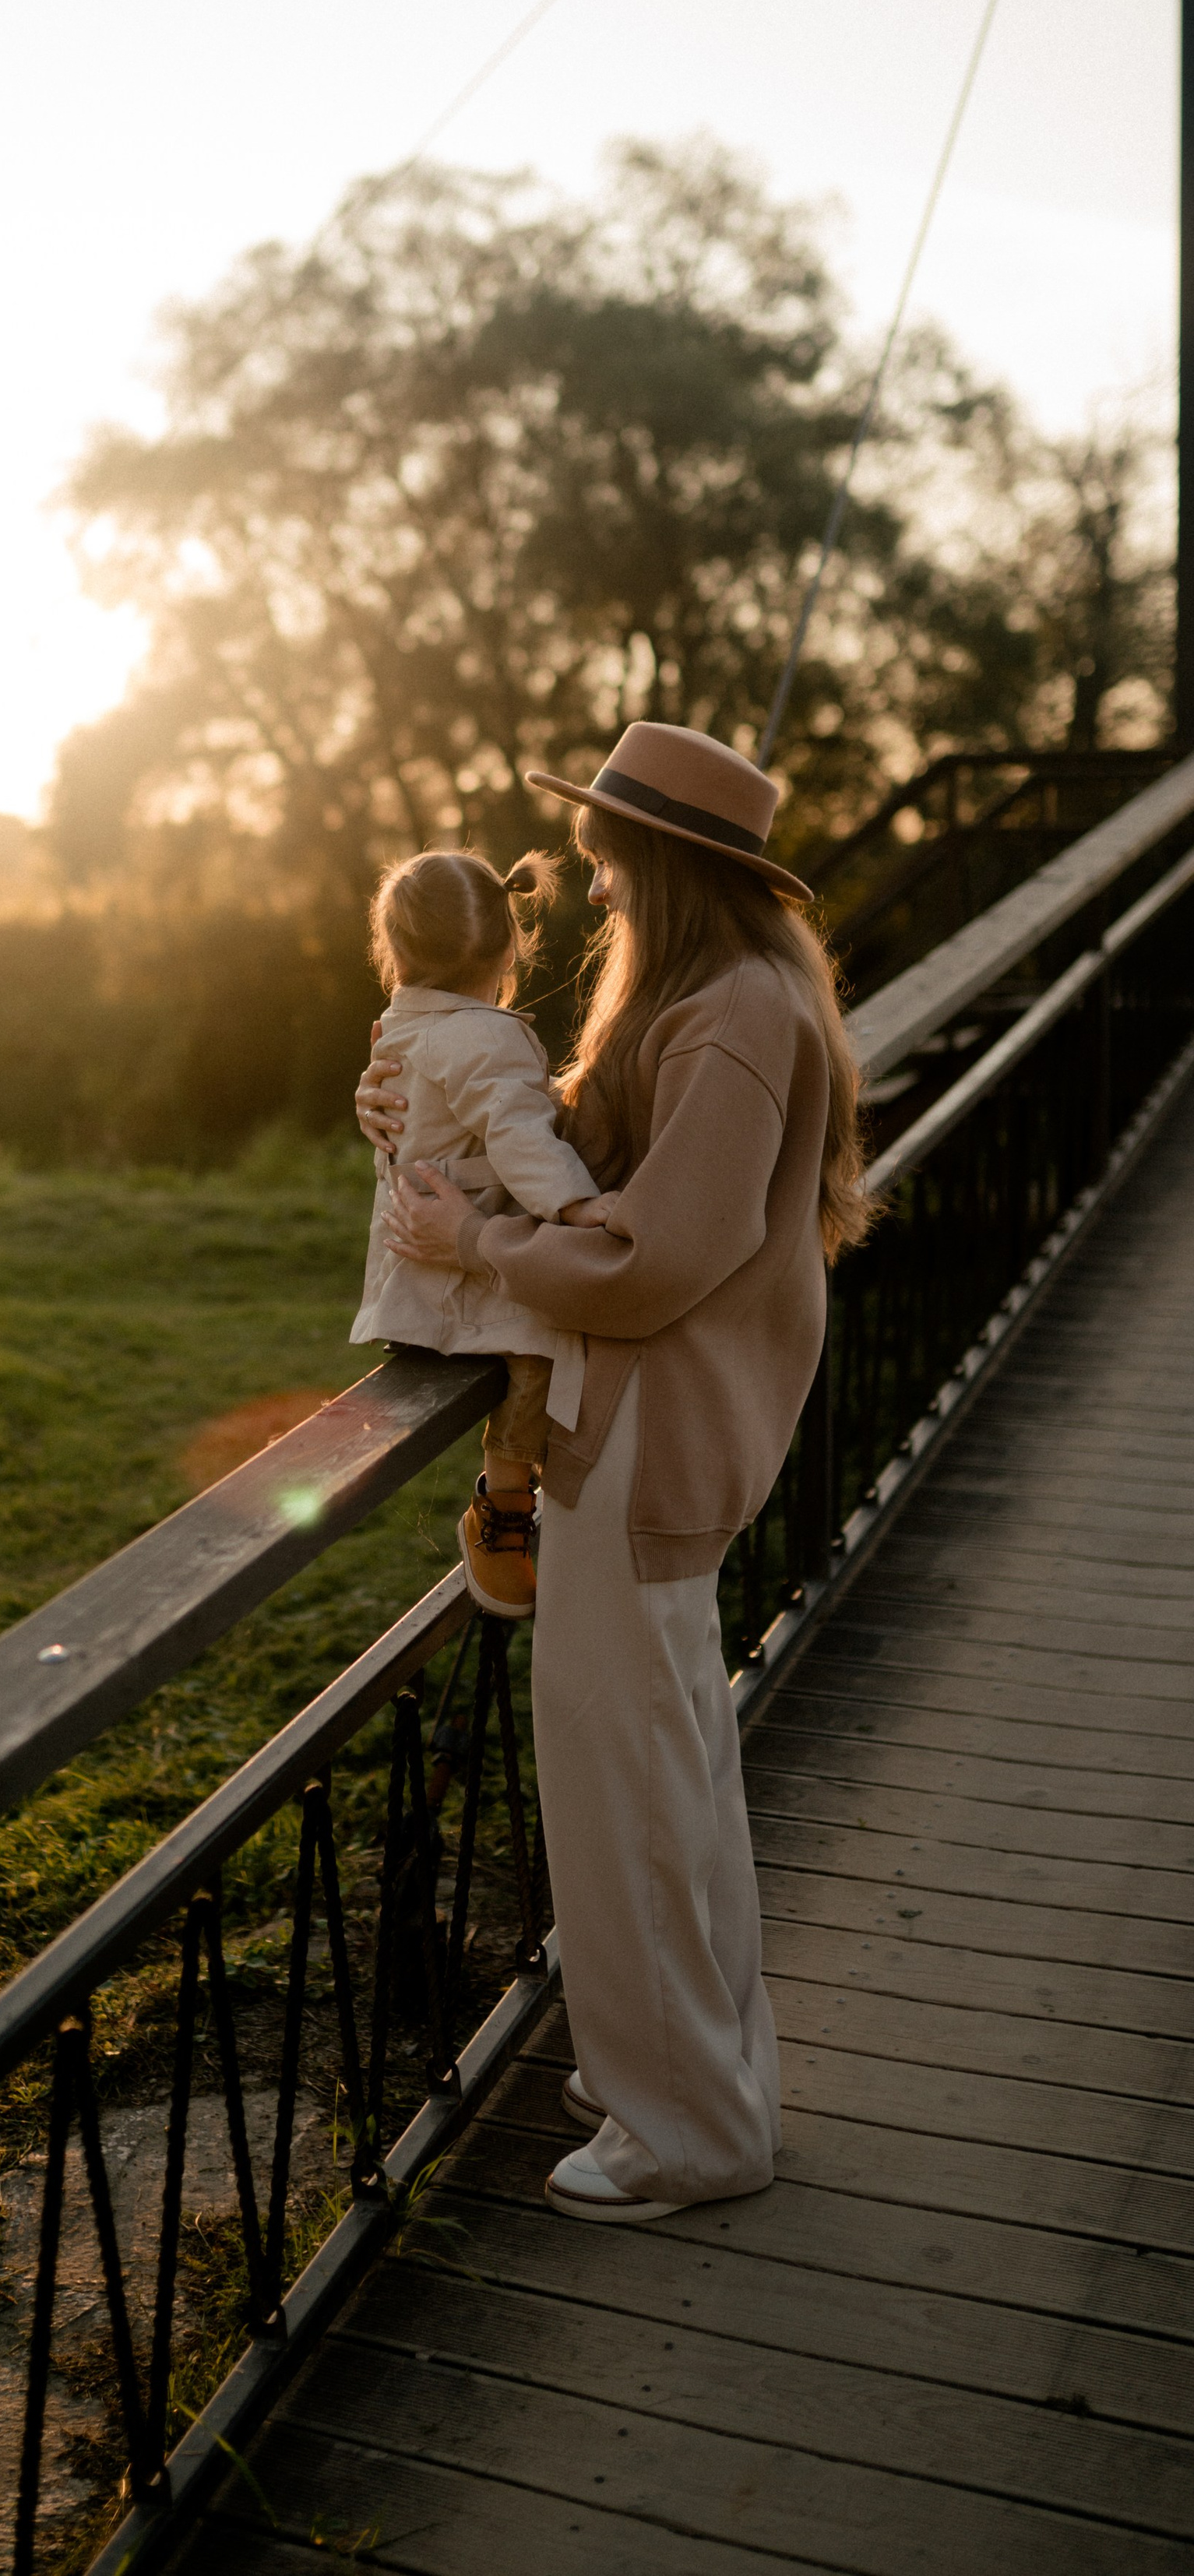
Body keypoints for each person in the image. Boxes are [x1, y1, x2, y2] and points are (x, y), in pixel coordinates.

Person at [356, 722, 871, 2226]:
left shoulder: (734, 1014)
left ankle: (686, 2132)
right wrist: (420, 1110)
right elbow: (597, 1164)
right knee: (671, 1767)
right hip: (640, 1420)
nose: (590, 891)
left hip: (643, 1426)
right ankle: (691, 2076)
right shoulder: (723, 996)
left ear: (667, 863)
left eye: (603, 862)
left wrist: (477, 1246)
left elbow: (651, 1257)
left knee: (623, 1776)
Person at [349, 846, 616, 1612]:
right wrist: (574, 1205)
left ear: (394, 950)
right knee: (544, 1344)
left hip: (419, 1263)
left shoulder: (398, 1024)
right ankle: (505, 1506)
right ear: (509, 944)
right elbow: (519, 1135)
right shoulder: (487, 1036)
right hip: (472, 1268)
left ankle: (513, 1502)